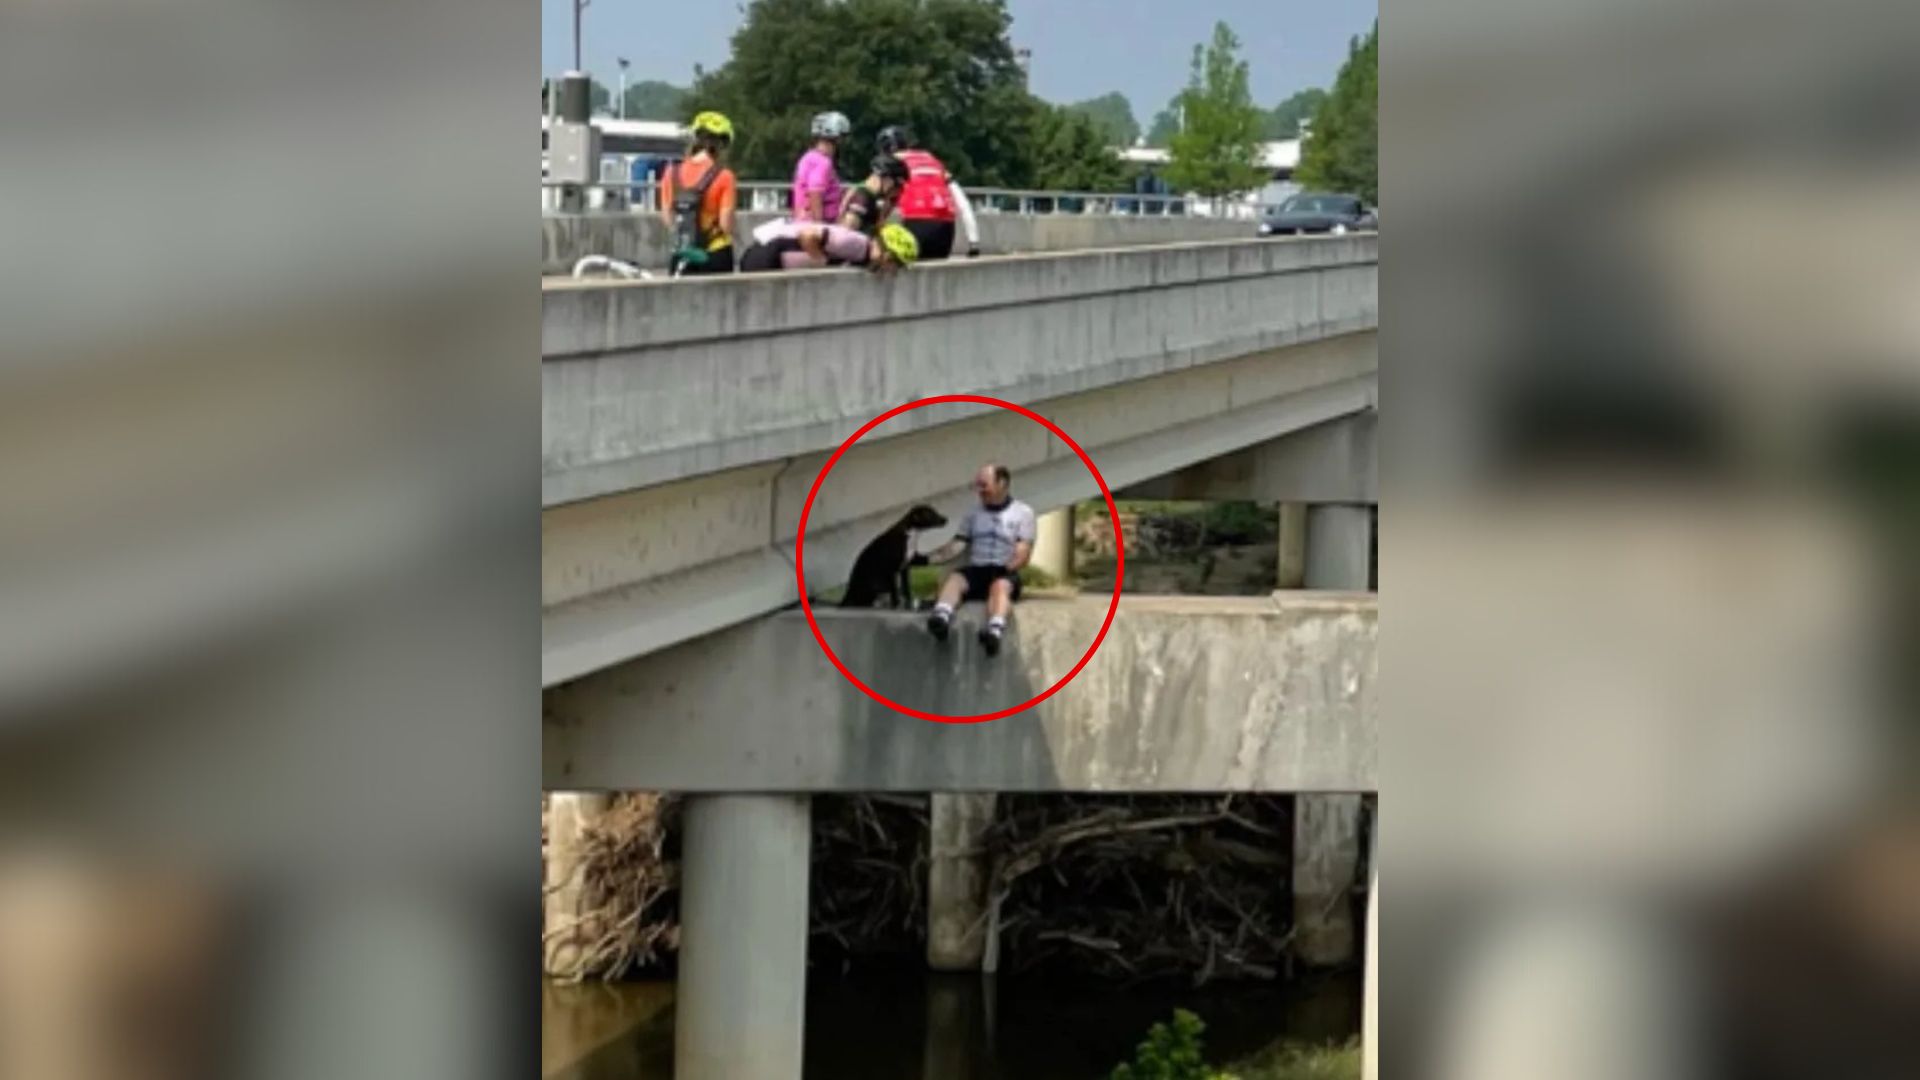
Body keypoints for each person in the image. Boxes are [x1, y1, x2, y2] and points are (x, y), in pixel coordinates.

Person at [918, 463, 1035, 656]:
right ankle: (941, 617)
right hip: (977, 569)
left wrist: (1010, 567)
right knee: (955, 579)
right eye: (977, 486)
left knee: (1000, 587)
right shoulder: (972, 513)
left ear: (1002, 483)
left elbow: (1023, 551)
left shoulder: (1023, 513)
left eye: (984, 485)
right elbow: (957, 545)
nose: (980, 491)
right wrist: (926, 560)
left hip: (1003, 570)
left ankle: (994, 631)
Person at [875, 124, 981, 260]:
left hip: (916, 226)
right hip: (945, 232)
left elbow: (881, 204)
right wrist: (974, 243)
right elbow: (963, 204)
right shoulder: (933, 160)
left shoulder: (892, 163)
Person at [657, 111, 739, 275]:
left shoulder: (671, 172)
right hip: (715, 253)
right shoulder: (725, 177)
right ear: (721, 145)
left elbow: (667, 215)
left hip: (683, 252)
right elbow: (725, 225)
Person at [737, 219, 919, 274]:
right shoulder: (855, 244)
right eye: (897, 265)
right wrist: (822, 263)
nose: (894, 271)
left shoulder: (862, 252)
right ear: (887, 255)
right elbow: (807, 236)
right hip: (768, 255)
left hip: (770, 255)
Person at [792, 110, 851, 224]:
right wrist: (819, 226)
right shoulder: (823, 163)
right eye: (842, 137)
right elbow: (815, 193)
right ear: (836, 138)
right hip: (819, 225)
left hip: (802, 220)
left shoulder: (808, 158)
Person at [836, 153, 909, 236]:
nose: (897, 191)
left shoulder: (869, 196)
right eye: (896, 185)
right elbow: (847, 232)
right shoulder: (862, 198)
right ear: (886, 178)